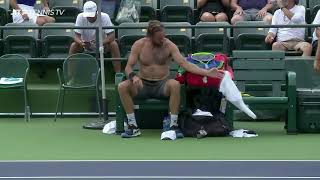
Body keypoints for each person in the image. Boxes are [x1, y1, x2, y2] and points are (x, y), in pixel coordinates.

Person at [118, 20, 225, 138]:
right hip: (142, 84)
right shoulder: (139, 45)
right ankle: (133, 126)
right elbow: (128, 67)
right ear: (150, 36)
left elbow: (185, 64)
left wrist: (207, 72)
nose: (163, 39)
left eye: (164, 36)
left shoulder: (169, 45)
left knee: (175, 84)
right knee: (122, 86)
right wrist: (133, 77)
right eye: (159, 37)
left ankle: (173, 126)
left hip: (162, 85)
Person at [69, 1, 121, 73]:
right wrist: (81, 43)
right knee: (74, 45)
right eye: (87, 15)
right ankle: (70, 77)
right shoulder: (80, 17)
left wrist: (101, 42)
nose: (89, 17)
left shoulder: (105, 17)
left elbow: (112, 36)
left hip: (103, 45)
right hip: (85, 45)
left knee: (114, 44)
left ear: (96, 12)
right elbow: (76, 37)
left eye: (91, 15)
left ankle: (118, 74)